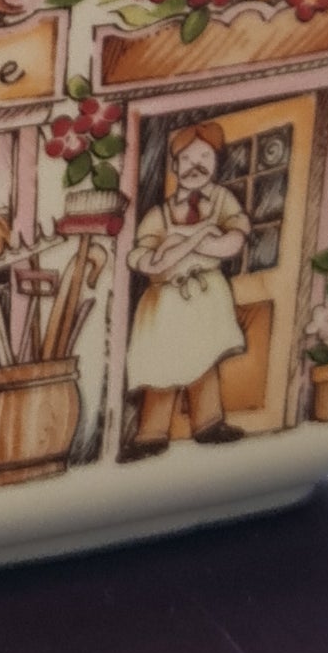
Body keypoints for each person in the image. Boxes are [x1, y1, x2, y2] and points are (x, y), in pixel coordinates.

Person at [123, 122, 250, 453]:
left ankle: (209, 424)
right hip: (166, 300)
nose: (196, 165)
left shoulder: (222, 200)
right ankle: (151, 434)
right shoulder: (159, 214)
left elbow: (234, 241)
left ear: (216, 162)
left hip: (205, 293)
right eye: (188, 158)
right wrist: (196, 237)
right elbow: (144, 258)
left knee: (204, 358)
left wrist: (184, 242)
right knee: (162, 364)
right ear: (175, 165)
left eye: (205, 157)